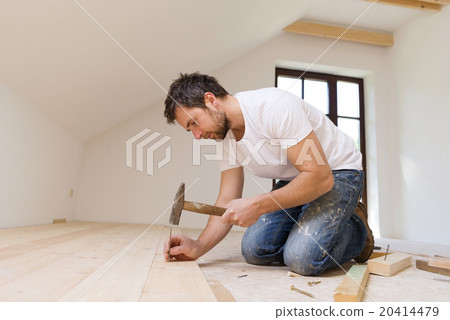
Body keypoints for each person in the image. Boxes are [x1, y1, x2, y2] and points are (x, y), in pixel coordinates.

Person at [163, 72, 374, 275]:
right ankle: (311, 223)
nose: (197, 136)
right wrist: (199, 247)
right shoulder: (223, 137)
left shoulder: (273, 107)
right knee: (255, 250)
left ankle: (356, 229)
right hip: (297, 179)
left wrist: (257, 205)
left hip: (336, 173)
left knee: (302, 258)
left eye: (195, 123)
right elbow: (227, 198)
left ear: (210, 100)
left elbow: (320, 177)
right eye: (190, 130)